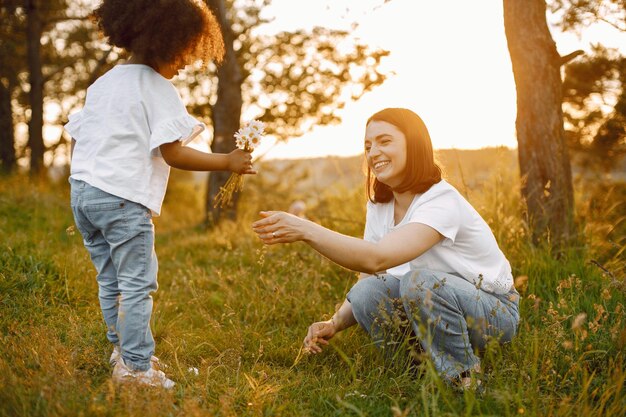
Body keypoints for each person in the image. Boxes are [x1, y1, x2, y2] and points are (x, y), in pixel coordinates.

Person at [252, 108, 519, 390]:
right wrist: (334, 322)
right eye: (368, 146)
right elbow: (369, 277)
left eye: (384, 141)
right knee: (367, 292)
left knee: (421, 282)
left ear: (413, 145)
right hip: (431, 305)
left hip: (492, 314)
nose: (373, 152)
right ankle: (413, 376)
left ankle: (463, 379)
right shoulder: (381, 205)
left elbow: (376, 260)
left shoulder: (441, 200)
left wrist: (306, 229)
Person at [66, 0, 255, 389]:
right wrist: (228, 162)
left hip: (83, 194)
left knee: (111, 280)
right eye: (185, 51)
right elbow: (173, 152)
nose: (186, 62)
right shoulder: (156, 87)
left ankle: (122, 352)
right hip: (122, 200)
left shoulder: (102, 84)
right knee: (137, 283)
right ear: (164, 41)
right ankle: (135, 370)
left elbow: (82, 137)